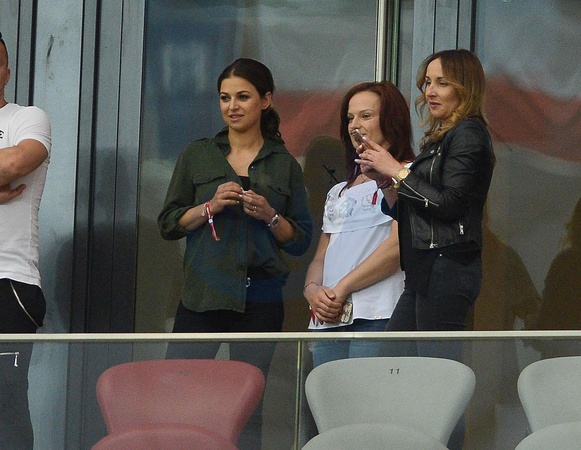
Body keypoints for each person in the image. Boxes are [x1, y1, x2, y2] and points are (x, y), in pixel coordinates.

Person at [158, 58, 312, 449]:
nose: (232, 106)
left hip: (260, 299)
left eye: (243, 97)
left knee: (247, 409)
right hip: (202, 297)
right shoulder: (197, 154)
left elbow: (299, 240)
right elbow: (169, 223)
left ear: (266, 100)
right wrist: (209, 206)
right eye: (225, 98)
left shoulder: (284, 164)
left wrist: (270, 215)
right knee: (178, 398)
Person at [356, 49, 494, 450]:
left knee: (438, 384)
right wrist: (386, 181)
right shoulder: (441, 138)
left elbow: (449, 204)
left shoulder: (468, 133)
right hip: (425, 271)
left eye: (442, 83)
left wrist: (396, 169)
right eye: (428, 83)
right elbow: (416, 211)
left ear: (465, 88)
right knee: (393, 371)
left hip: (447, 267)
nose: (430, 91)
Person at [303, 82, 414, 367]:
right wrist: (312, 290)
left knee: (368, 394)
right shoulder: (338, 190)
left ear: (391, 120)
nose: (355, 125)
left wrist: (341, 289)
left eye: (366, 116)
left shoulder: (408, 175)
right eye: (350, 118)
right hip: (329, 317)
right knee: (328, 395)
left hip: (378, 313)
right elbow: (321, 256)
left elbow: (399, 246)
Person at [0, 31, 51, 449]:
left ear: (7, 72)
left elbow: (17, 161)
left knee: (7, 399)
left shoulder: (27, 118)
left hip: (9, 280)